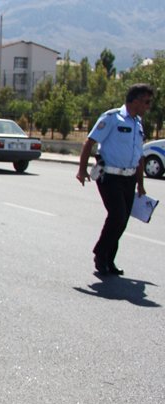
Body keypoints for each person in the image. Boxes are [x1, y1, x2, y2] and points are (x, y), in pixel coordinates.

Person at [76, 83, 153, 275]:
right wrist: (82, 170)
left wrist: (141, 184)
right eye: (146, 102)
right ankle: (100, 254)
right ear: (135, 101)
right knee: (117, 216)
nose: (148, 106)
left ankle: (109, 260)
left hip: (129, 179)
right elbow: (90, 142)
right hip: (109, 177)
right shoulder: (112, 118)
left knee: (122, 221)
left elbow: (139, 156)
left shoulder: (137, 123)